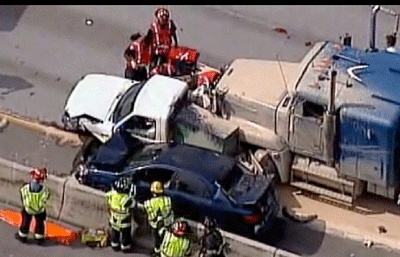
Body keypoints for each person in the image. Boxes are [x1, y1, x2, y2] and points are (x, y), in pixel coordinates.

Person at [16, 167, 50, 245]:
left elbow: (23, 195)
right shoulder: (44, 190)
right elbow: (46, 198)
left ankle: (22, 237)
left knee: (25, 222)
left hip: (28, 209)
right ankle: (39, 238)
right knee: (39, 223)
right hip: (39, 210)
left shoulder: (25, 188)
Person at [144, 181, 174, 256]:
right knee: (165, 240)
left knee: (157, 240)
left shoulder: (149, 203)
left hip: (155, 226)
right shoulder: (167, 200)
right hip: (167, 224)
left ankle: (157, 252)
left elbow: (149, 214)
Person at [105, 177, 135, 253]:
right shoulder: (126, 199)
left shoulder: (112, 194)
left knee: (115, 234)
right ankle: (125, 248)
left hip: (114, 220)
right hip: (124, 223)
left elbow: (108, 198)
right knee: (125, 236)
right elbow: (134, 205)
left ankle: (115, 246)